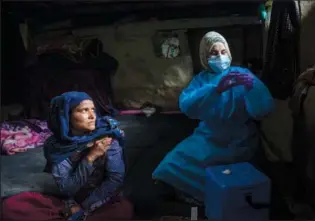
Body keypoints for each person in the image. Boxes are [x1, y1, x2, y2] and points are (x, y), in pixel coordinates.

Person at [152, 31, 275, 203]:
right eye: (214, 53)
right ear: (204, 57)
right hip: (210, 136)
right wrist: (216, 89)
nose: (220, 56)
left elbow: (263, 110)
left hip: (241, 138)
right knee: (172, 164)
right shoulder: (201, 80)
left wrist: (252, 87)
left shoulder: (242, 74)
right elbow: (187, 107)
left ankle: (223, 197)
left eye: (223, 52)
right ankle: (203, 196)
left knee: (238, 175)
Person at [2, 92, 133, 221]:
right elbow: (67, 188)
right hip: (68, 200)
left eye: (93, 109)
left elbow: (115, 179)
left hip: (101, 199)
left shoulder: (107, 138)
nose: (92, 116)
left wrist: (84, 207)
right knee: (11, 206)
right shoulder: (57, 146)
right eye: (84, 110)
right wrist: (91, 157)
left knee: (123, 210)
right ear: (66, 116)